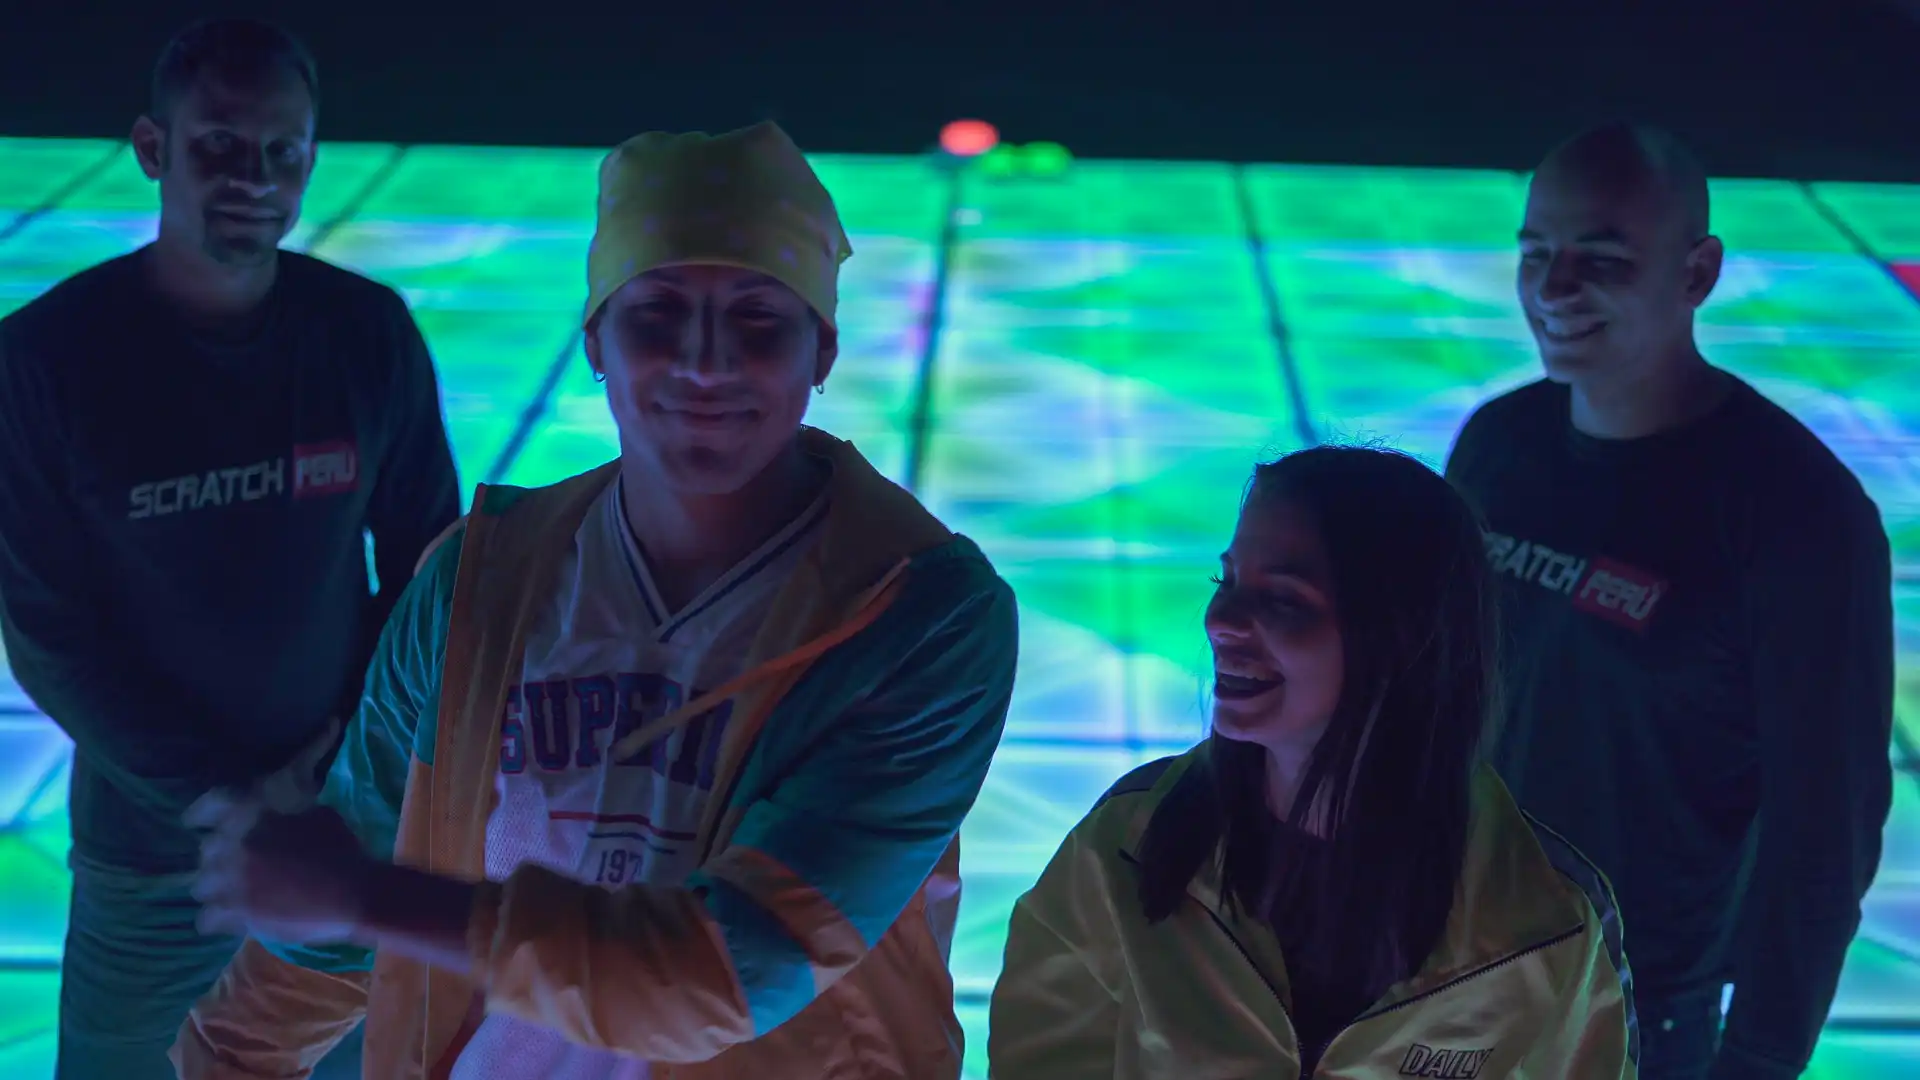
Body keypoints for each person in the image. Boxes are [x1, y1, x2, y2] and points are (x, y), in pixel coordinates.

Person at [169, 120, 1019, 1080]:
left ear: (821, 353)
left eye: (758, 319)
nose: (706, 362)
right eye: (656, 312)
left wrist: (369, 899)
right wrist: (227, 1054)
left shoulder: (921, 616)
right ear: (594, 344)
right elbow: (349, 878)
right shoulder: (478, 580)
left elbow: (737, 970)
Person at [0, 17, 459, 1080]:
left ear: (310, 157)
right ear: (154, 149)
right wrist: (229, 803)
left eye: (280, 151)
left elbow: (431, 578)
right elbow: (52, 636)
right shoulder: (43, 361)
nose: (252, 176)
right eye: (218, 145)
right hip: (157, 861)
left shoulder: (366, 333)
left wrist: (339, 773)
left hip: (343, 830)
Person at [1444, 122, 1895, 1080]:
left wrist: (1762, 1057)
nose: (1554, 289)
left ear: (1698, 274)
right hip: (1447, 962)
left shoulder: (1798, 513)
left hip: (1637, 1005)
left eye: (1601, 259)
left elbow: (1828, 828)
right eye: (1536, 254)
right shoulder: (1496, 447)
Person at [989, 445, 1638, 1079]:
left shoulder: (1552, 918)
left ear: (1401, 636)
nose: (1221, 620)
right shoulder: (1129, 840)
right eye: (1228, 581)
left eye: (1284, 602)